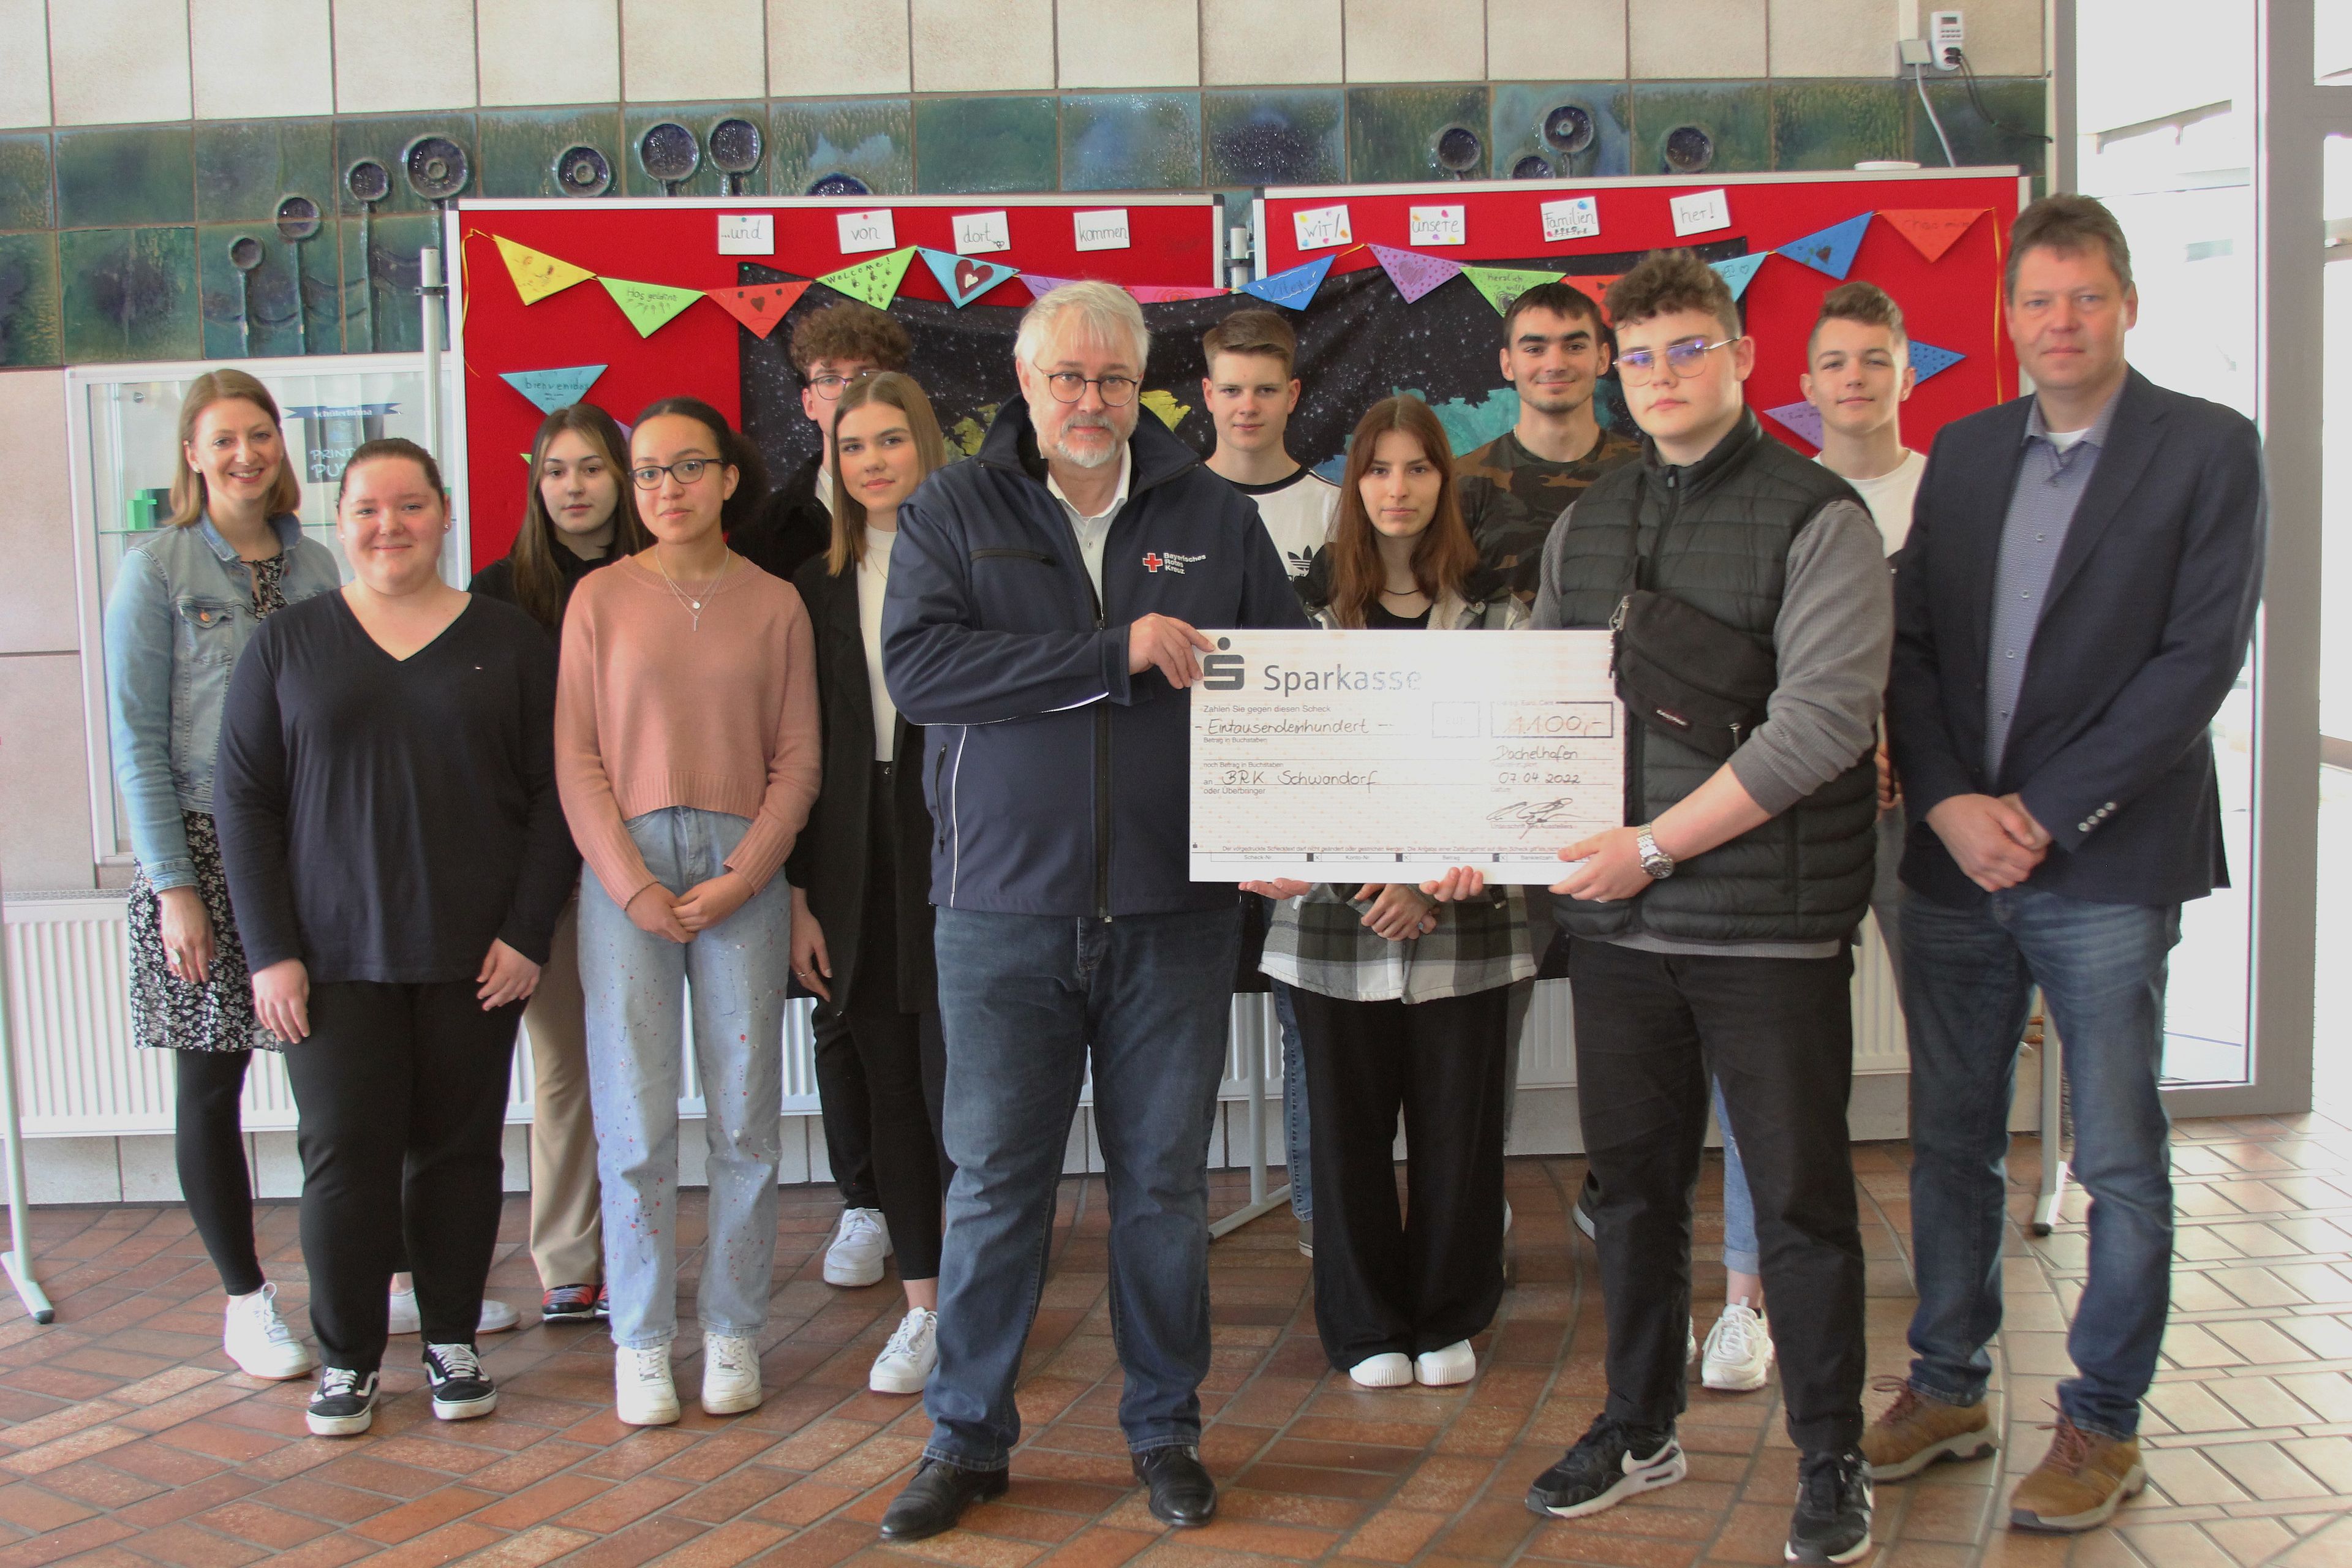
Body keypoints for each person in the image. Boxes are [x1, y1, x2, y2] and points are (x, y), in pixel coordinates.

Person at [875, 282, 1308, 1541]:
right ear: (1026, 382)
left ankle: (1166, 1430)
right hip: (1000, 910)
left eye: (1113, 379)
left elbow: (1286, 682)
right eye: (1067, 376)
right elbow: (922, 672)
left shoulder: (1213, 514)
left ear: (1141, 389)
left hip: (1175, 912)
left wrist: (1289, 826)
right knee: (994, 1185)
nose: (1090, 399)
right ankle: (966, 1438)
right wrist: (1109, 653)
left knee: (1163, 1188)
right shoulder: (955, 508)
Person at [1871, 194, 2266, 1535]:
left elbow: (2197, 663)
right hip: (1955, 863)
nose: (2061, 322)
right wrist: (1946, 803)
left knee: (2120, 1158)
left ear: (2128, 305)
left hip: (2106, 860)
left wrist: (2039, 811)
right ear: (2008, 318)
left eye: (2085, 297)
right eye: (2037, 300)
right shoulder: (1968, 451)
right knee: (1951, 1140)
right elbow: (1913, 646)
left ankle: (2103, 1421)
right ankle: (1948, 1386)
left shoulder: (2208, 449)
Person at [1512, 249, 1891, 1567]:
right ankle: (1640, 1425)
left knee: (1800, 1203)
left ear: (1741, 356)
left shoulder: (1820, 515)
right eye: (1639, 355)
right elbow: (1544, 707)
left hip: (1768, 931)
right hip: (1622, 937)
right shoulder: (1589, 522)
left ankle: (1831, 1453)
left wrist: (1654, 849)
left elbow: (1822, 726)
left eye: (1687, 349)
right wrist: (1472, 837)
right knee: (1633, 1196)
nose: (1661, 375)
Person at [215, 439, 578, 1438]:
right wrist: (269, 952)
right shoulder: (287, 646)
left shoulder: (510, 641)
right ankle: (348, 1361)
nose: (390, 526)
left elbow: (557, 797)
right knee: (345, 1159)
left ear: (445, 512)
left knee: (459, 1156)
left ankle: (452, 1340)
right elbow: (244, 805)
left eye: (410, 505)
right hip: (329, 964)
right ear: (340, 523)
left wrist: (527, 931)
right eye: (368, 509)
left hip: (477, 960)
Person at [1675, 280, 1935, 1398]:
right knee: (1766, 1076)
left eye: (1875, 359)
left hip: (1920, 815)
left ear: (1907, 374)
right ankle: (1747, 1297)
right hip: (1785, 817)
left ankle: (1948, 1269)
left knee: (1949, 1053)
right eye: (1835, 362)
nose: (1855, 379)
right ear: (1802, 382)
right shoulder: (1781, 501)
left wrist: (1905, 753)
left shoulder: (1949, 495)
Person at [1250, 397, 1530, 1391]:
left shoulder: (1497, 610)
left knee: (1462, 1132)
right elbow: (1287, 763)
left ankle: (1451, 1312)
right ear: (1353, 484)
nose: (1398, 489)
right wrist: (1373, 874)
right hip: (1333, 923)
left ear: (1445, 482)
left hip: (1467, 918)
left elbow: (1519, 759)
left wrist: (1432, 874)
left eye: (1418, 468)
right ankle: (1365, 1324)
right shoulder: (1304, 611)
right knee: (1344, 1138)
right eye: (1378, 469)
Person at [557, 396, 819, 1427]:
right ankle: (639, 1340)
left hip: (742, 870)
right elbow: (577, 757)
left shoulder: (776, 603)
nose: (667, 488)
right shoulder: (599, 600)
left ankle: (733, 1329)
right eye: (648, 472)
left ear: (728, 478)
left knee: (746, 1116)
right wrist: (630, 883)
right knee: (634, 1117)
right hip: (624, 870)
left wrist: (746, 875)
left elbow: (799, 761)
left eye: (688, 467)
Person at [101, 369, 340, 1382]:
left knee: (339, 1078)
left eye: (261, 435)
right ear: (194, 456)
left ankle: (373, 1274)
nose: (246, 454)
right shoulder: (156, 570)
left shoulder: (317, 564)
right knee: (211, 1084)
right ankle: (246, 1300)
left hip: (311, 848)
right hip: (200, 851)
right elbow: (136, 739)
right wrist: (175, 887)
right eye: (225, 439)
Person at [731, 300, 916, 1291]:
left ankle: (941, 1208)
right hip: (828, 811)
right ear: (807, 401)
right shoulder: (775, 534)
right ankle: (866, 1202)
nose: (846, 398)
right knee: (840, 1011)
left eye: (863, 378)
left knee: (934, 1018)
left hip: (927, 813)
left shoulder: (953, 524)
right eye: (829, 381)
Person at [785, 373, 955, 1396]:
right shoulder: (810, 588)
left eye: (892, 440)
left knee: (962, 1088)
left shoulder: (979, 566)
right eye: (853, 446)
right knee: (891, 1086)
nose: (873, 462)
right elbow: (791, 751)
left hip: (964, 841)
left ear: (927, 447)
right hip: (854, 856)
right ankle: (924, 1308)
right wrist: (800, 892)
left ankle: (985, 1298)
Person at [469, 403, 653, 1327]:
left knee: (640, 1064)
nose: (572, 487)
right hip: (544, 862)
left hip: (647, 852)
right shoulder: (498, 594)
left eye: (590, 468)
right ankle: (570, 1259)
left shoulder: (659, 575)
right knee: (563, 1065)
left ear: (622, 477)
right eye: (555, 471)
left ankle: (637, 1248)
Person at [1198, 306, 1341, 1257]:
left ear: (1292, 395)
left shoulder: (1334, 508)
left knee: (1308, 1020)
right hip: (1194, 798)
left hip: (1306, 795)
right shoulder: (1169, 508)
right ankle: (1169, 1215)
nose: (1246, 406)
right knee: (1182, 1016)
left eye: (1264, 389)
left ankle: (1319, 1220)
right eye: (1230, 389)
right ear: (1206, 397)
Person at [1455, 279, 1643, 598]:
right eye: (1534, 349)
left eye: (1575, 347)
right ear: (1507, 364)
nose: (1555, 364)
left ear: (1602, 358)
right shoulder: (1461, 484)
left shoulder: (1647, 473)